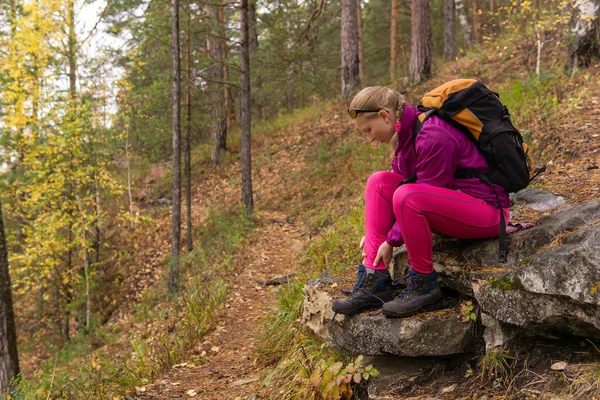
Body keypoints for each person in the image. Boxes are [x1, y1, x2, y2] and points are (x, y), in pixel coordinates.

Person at [331, 86, 510, 318]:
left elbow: (423, 194)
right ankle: (374, 280)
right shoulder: (406, 133)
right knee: (378, 181)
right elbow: (403, 183)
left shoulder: (432, 134)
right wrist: (377, 233)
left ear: (385, 116)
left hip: (488, 211)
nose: (370, 138)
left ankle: (424, 284)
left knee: (408, 195)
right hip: (450, 206)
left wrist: (391, 239)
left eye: (369, 130)